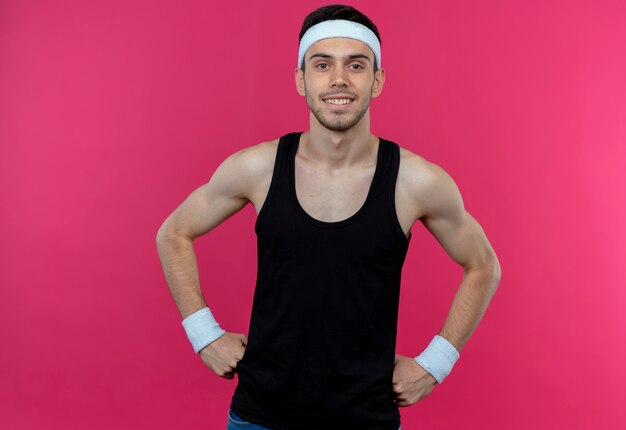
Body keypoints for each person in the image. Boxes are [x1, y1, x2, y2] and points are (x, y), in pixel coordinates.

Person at [156, 4, 501, 430]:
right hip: (260, 416)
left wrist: (436, 362)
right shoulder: (258, 168)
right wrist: (203, 333)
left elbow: (484, 265)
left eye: (356, 64)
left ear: (377, 80)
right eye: (323, 65)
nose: (339, 78)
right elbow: (173, 232)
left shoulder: (417, 181)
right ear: (302, 79)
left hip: (366, 419)